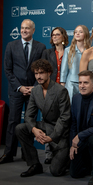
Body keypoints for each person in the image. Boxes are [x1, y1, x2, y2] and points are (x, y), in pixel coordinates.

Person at [0, 19, 46, 165]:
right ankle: (8, 154)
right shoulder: (11, 46)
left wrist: (34, 87)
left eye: (27, 28)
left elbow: (43, 70)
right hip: (16, 91)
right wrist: (20, 87)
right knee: (13, 122)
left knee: (29, 123)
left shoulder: (40, 47)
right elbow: (8, 70)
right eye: (22, 28)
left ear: (33, 30)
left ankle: (27, 153)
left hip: (33, 91)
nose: (24, 30)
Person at [15, 59, 71, 177]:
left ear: (49, 73)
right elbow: (29, 115)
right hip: (45, 125)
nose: (38, 76)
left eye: (41, 73)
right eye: (36, 73)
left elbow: (64, 118)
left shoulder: (60, 91)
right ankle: (34, 164)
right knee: (21, 128)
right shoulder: (35, 91)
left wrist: (52, 137)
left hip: (59, 132)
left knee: (55, 171)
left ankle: (67, 160)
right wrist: (34, 130)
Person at [41, 27, 68, 165]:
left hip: (64, 91)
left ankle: (61, 151)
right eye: (53, 35)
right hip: (50, 89)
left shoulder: (70, 51)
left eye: (57, 34)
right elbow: (42, 71)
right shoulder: (47, 52)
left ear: (63, 37)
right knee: (48, 122)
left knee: (61, 121)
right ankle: (48, 153)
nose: (55, 37)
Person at [60, 25, 91, 103]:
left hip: (86, 84)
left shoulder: (90, 51)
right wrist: (62, 85)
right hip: (71, 85)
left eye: (80, 32)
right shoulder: (68, 50)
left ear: (86, 34)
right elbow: (64, 70)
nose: (77, 34)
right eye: (76, 32)